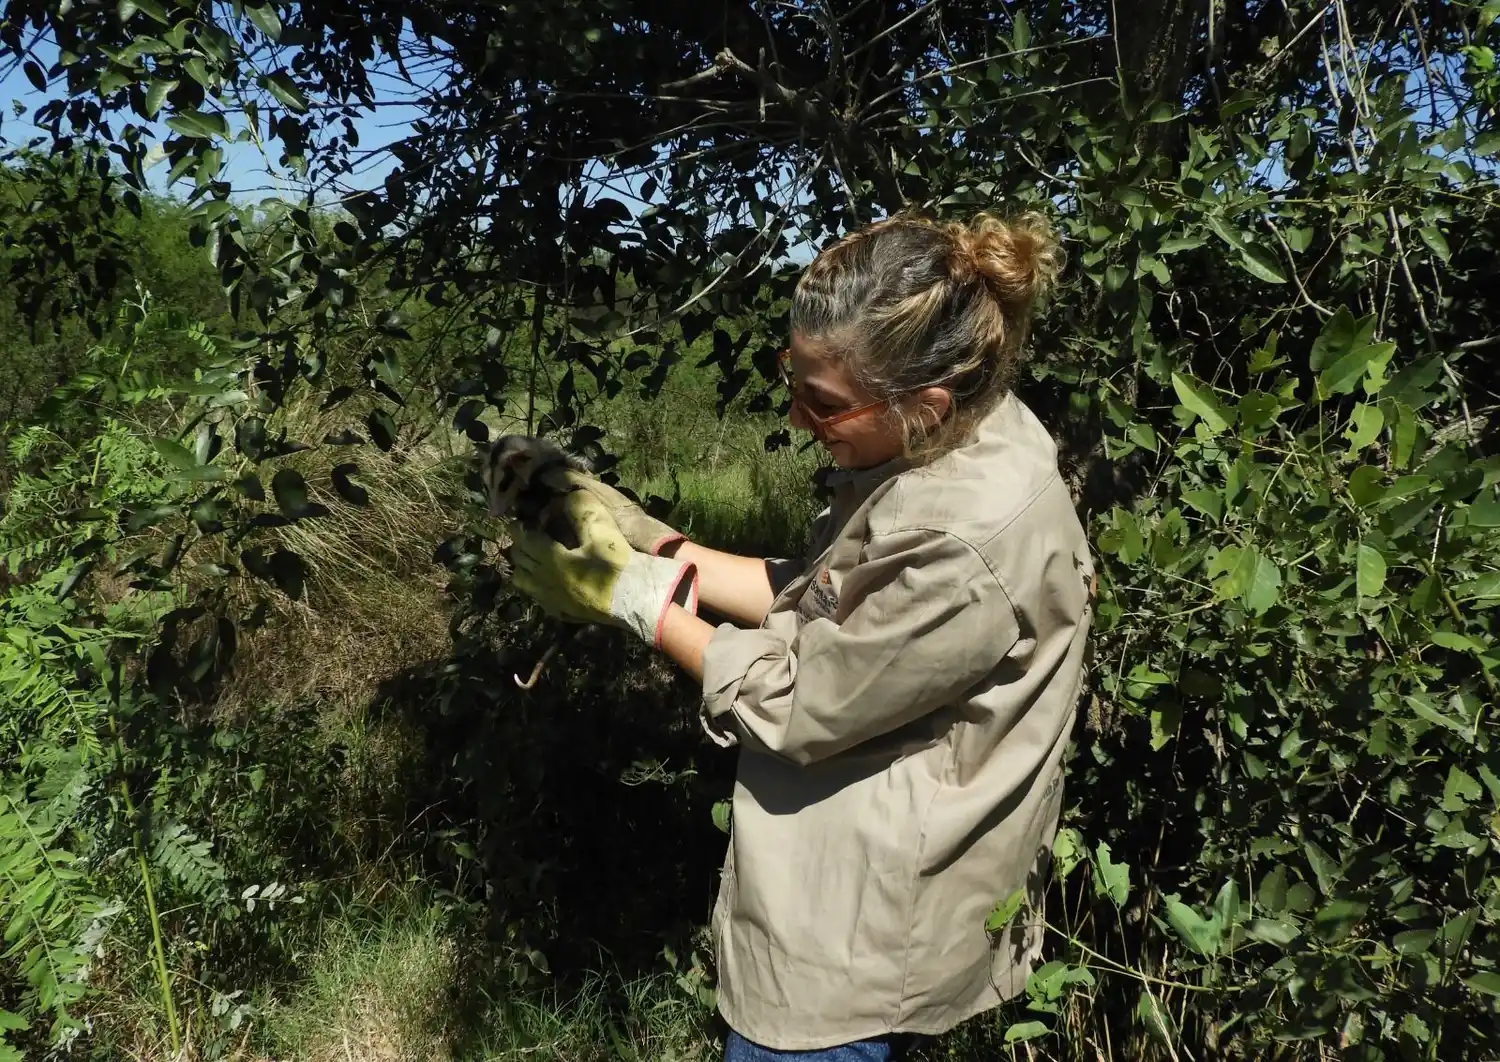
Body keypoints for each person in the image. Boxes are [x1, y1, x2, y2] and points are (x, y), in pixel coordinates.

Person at [508, 210, 1095, 1061]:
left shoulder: (968, 538)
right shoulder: (962, 429)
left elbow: (796, 703)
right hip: (854, 894)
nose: (794, 417)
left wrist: (635, 601)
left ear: (923, 403)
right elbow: (834, 598)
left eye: (823, 402)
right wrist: (651, 542)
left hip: (859, 945)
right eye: (794, 379)